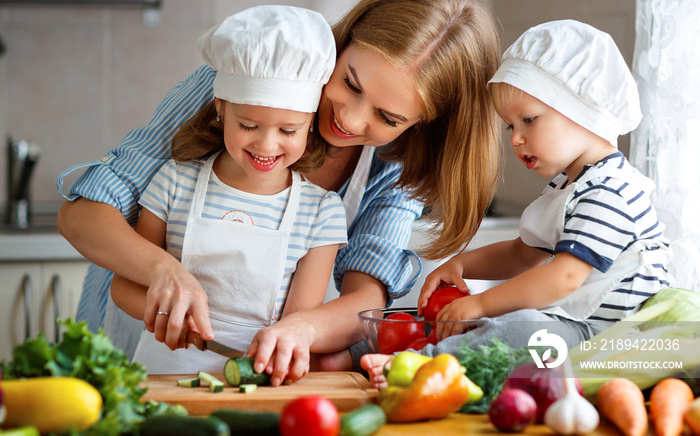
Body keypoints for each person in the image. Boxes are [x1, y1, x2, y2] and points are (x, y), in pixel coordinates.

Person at [56, 0, 502, 385]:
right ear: (343, 43)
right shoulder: (250, 72)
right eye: (350, 83)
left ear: (419, 126)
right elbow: (81, 216)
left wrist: (302, 331)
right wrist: (163, 272)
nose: (349, 118)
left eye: (387, 117)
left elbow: (366, 295)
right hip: (133, 341)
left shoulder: (394, 161)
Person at [361, 19, 673, 388]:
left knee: (523, 327)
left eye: (528, 120)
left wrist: (480, 303)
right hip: (578, 326)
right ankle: (424, 360)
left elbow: (564, 277)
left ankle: (417, 367)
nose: (516, 139)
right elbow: (524, 254)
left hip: (616, 340)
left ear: (584, 111)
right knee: (511, 324)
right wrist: (461, 263)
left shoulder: (610, 192)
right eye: (511, 126)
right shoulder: (570, 186)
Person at [107, 6, 347, 374]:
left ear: (311, 123)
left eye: (288, 130)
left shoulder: (321, 212)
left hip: (258, 377)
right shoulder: (175, 181)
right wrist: (167, 319)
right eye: (248, 124)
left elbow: (299, 322)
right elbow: (124, 287)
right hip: (163, 369)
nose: (267, 146)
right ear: (221, 107)